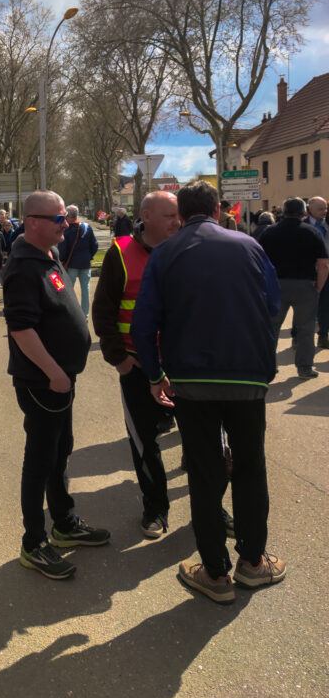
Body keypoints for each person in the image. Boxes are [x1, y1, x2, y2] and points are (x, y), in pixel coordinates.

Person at [131, 181, 284, 604]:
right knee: (251, 468)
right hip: (249, 377)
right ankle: (253, 563)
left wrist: (155, 375)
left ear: (181, 214)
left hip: (192, 380)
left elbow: (143, 326)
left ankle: (214, 574)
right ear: (218, 209)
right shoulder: (249, 246)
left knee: (204, 472)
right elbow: (272, 305)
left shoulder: (165, 254)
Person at [2, 190, 110, 581]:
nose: (66, 224)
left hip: (60, 380)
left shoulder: (46, 255)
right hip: (43, 382)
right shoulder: (23, 266)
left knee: (60, 450)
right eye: (58, 219)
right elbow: (20, 328)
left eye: (65, 217)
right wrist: (52, 371)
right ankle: (34, 543)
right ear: (32, 221)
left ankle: (63, 523)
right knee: (40, 460)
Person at [92, 191, 179, 538]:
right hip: (138, 367)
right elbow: (103, 310)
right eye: (170, 215)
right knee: (145, 442)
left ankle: (213, 509)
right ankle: (155, 509)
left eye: (179, 215)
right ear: (147, 215)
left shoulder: (185, 249)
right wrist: (119, 359)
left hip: (184, 368)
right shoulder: (120, 252)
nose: (177, 221)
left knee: (203, 445)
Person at [258, 197, 329, 380]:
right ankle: (304, 368)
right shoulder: (312, 233)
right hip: (305, 285)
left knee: (271, 328)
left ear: (283, 212)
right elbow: (323, 264)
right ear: (303, 212)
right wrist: (319, 287)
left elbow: (259, 260)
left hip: (276, 286)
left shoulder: (269, 232)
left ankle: (268, 367)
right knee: (305, 329)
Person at [57, 204, 98, 319]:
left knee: (69, 290)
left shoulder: (66, 229)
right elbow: (94, 245)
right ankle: (84, 314)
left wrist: (62, 260)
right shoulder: (87, 227)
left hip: (71, 265)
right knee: (86, 289)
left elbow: (63, 248)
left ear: (68, 215)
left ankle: (71, 313)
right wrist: (89, 256)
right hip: (85, 263)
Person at [306, 196, 329, 349]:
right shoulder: (303, 226)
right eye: (320, 209)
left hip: (326, 270)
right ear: (309, 210)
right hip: (307, 272)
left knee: (325, 305)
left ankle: (323, 335)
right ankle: (297, 336)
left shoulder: (327, 225)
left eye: (325, 208)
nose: (324, 212)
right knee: (305, 306)